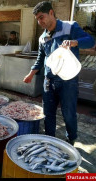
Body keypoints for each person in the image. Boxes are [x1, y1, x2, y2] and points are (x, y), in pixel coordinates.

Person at [23, 1, 95, 146]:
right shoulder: (42, 37)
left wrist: (74, 42)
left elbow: (91, 41)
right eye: (37, 19)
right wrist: (31, 74)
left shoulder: (70, 27)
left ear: (51, 13)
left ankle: (71, 140)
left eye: (41, 17)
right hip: (49, 81)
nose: (39, 22)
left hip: (68, 81)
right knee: (48, 113)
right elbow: (40, 59)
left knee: (68, 114)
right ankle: (50, 140)